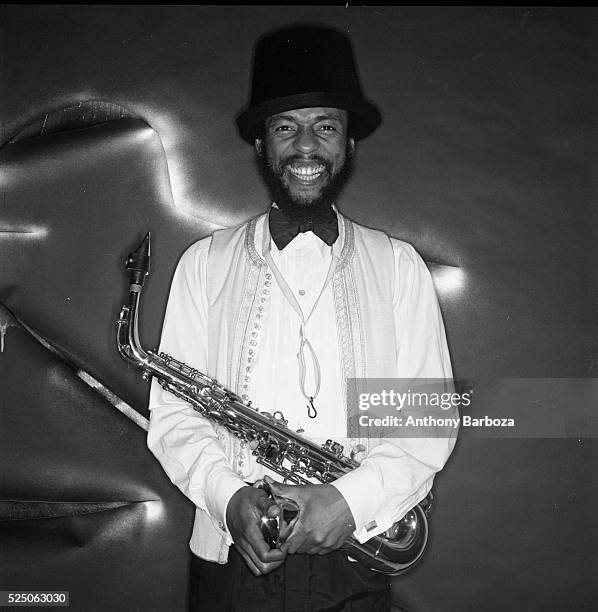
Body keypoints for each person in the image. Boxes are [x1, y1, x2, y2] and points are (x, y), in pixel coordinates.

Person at [148, 24, 457, 611]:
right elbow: (174, 417)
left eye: (326, 126)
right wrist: (229, 499)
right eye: (286, 127)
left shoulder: (398, 268)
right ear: (262, 144)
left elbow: (424, 421)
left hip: (355, 565)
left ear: (348, 144)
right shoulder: (202, 265)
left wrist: (348, 501)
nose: (306, 146)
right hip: (230, 562)